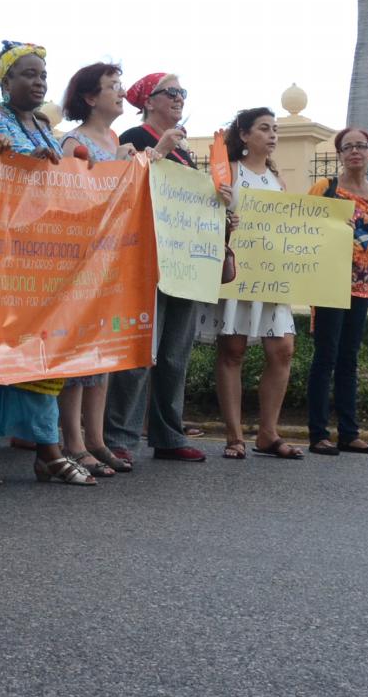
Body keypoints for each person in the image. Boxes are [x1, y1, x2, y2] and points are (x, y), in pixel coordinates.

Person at [0, 42, 94, 487]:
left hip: (37, 260)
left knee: (39, 352)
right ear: (6, 80)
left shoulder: (44, 126)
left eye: (43, 76)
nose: (39, 83)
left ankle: (43, 447)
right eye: (29, 74)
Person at [105, 71, 210, 464]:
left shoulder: (186, 152)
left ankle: (168, 435)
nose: (180, 98)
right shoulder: (134, 138)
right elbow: (123, 185)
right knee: (139, 352)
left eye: (183, 92)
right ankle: (119, 438)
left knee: (173, 355)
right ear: (149, 100)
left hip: (183, 263)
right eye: (172, 92)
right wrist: (161, 150)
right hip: (146, 258)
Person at [57, 62, 146, 479]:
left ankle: (96, 438)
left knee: (102, 352)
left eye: (121, 85)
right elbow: (68, 197)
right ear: (91, 97)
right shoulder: (72, 141)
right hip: (80, 261)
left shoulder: (113, 139)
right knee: (77, 353)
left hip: (112, 261)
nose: (120, 92)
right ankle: (71, 440)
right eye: (112, 86)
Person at [202, 108, 299, 459]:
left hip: (271, 276)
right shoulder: (228, 172)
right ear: (244, 135)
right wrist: (224, 213)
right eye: (264, 128)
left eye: (275, 129)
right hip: (239, 275)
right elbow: (205, 218)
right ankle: (234, 436)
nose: (272, 135)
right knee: (233, 351)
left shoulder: (277, 177)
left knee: (283, 349)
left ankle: (268, 432)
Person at [307, 128, 368, 455]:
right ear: (339, 154)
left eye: (361, 146)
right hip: (329, 282)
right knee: (325, 357)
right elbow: (305, 225)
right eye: (348, 147)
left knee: (348, 358)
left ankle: (349, 432)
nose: (355, 151)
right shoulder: (326, 188)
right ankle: (318, 434)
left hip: (362, 285)